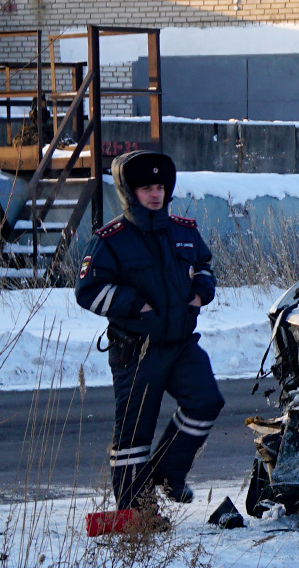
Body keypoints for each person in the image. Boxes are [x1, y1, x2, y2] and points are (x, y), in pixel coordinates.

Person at [74, 151, 223, 513]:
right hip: (135, 350)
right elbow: (87, 291)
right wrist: (134, 304)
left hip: (181, 344)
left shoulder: (184, 231)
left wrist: (201, 293)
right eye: (146, 188)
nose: (155, 194)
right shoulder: (111, 239)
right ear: (129, 191)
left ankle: (169, 472)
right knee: (133, 436)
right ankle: (139, 513)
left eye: (159, 186)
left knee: (206, 401)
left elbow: (204, 266)